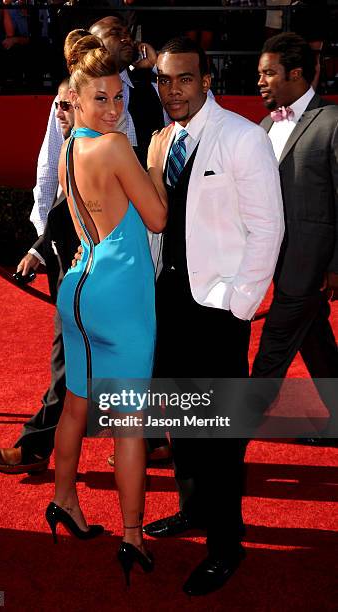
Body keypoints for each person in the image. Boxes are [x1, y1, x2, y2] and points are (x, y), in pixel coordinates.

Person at [0, 16, 169, 475]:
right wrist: (44, 243)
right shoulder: (71, 96)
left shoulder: (150, 91)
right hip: (91, 252)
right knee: (75, 363)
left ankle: (147, 445)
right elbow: (51, 175)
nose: (123, 40)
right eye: (110, 37)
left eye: (126, 33)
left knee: (133, 358)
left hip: (138, 251)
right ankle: (41, 447)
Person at [143, 37, 284, 596]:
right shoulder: (163, 139)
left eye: (183, 79)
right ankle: (193, 510)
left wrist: (240, 303)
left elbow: (268, 228)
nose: (171, 90)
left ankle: (227, 545)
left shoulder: (242, 139)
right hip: (170, 304)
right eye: (163, 80)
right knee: (181, 423)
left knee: (220, 437)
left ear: (207, 81)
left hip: (219, 311)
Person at [48, 33, 169, 583]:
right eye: (101, 98)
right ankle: (132, 535)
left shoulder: (72, 144)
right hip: (121, 298)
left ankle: (65, 500)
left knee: (76, 403)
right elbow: (158, 218)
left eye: (119, 97)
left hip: (77, 289)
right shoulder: (117, 147)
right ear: (75, 99)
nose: (116, 108)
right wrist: (158, 164)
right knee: (130, 425)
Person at [0, 78, 77, 475]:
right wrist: (41, 249)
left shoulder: (102, 149)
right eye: (56, 104)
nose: (58, 113)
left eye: (66, 106)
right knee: (74, 368)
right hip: (74, 274)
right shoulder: (70, 146)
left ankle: (35, 447)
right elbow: (55, 204)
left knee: (70, 368)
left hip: (94, 279)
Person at [253, 32, 338, 445]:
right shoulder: (267, 124)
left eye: (269, 73)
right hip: (275, 259)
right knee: (315, 340)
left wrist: (336, 266)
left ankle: (236, 428)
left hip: (310, 262)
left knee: (273, 349)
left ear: (298, 74)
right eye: (259, 73)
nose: (261, 81)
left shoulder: (332, 122)